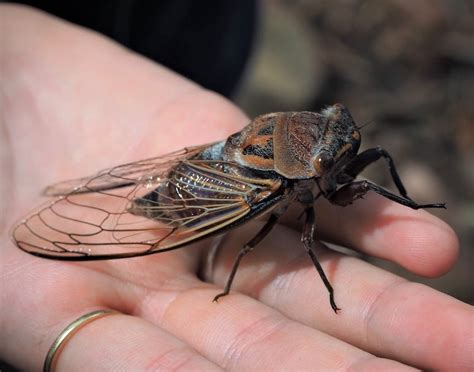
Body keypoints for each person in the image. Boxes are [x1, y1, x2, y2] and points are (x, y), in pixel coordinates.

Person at [1, 4, 471, 371]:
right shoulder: (272, 185)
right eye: (331, 162)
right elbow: (292, 246)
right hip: (197, 195)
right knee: (265, 243)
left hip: (193, 26)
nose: (346, 167)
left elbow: (360, 161)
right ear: (307, 161)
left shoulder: (312, 148)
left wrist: (409, 204)